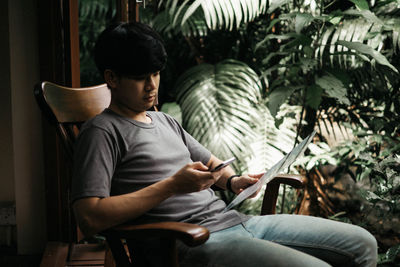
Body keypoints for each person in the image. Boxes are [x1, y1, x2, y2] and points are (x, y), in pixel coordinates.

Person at [71, 21, 377, 267]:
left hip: (235, 221)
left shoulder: (163, 121)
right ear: (111, 77)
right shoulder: (102, 131)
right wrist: (171, 186)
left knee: (363, 244)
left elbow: (215, 166)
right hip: (187, 242)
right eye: (140, 77)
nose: (151, 86)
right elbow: (90, 215)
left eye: (155, 74)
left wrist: (233, 182)